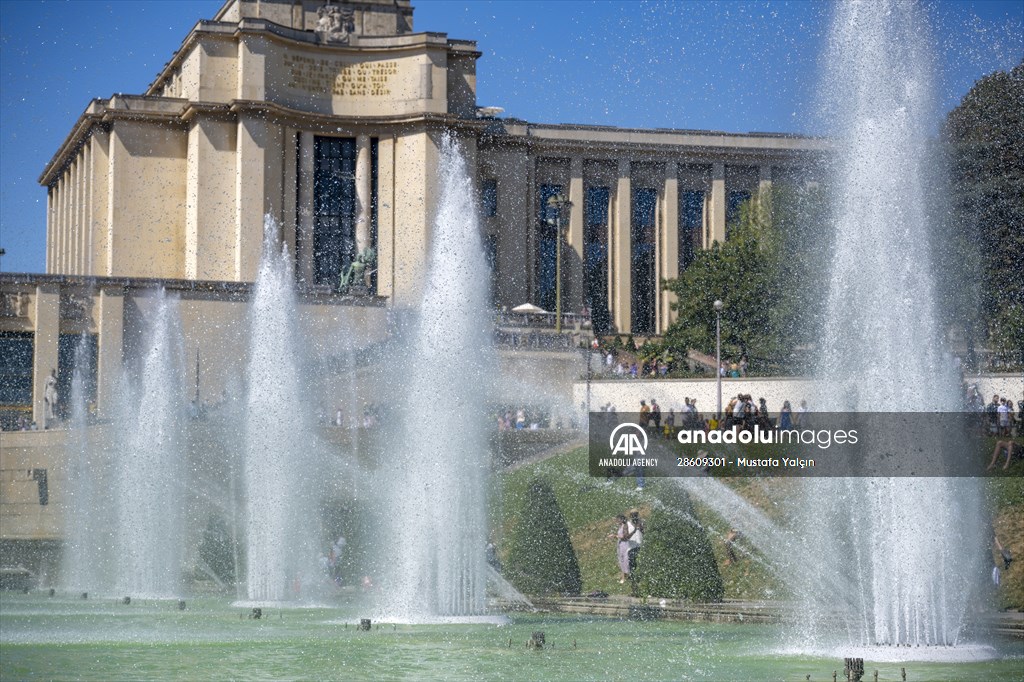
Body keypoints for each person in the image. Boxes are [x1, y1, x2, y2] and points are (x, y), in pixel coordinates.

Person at [609, 515, 631, 584]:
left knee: (625, 560)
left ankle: (625, 577)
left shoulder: (625, 526)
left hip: (624, 545)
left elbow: (625, 537)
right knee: (621, 560)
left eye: (618, 520)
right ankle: (624, 577)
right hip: (621, 545)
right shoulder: (621, 526)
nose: (617, 521)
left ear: (622, 520)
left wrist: (615, 536)